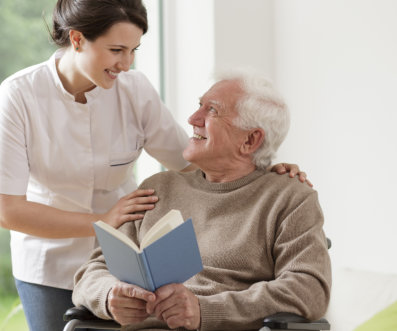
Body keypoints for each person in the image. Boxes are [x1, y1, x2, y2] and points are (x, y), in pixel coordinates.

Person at [0, 1, 307, 330]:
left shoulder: (135, 91)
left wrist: (265, 171)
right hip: (50, 261)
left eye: (134, 50)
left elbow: (193, 161)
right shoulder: (18, 96)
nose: (126, 64)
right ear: (77, 40)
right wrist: (102, 221)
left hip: (124, 262)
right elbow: (8, 211)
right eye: (116, 49)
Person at [72, 69, 332, 330]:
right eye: (200, 105)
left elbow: (308, 290)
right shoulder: (158, 188)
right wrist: (109, 295)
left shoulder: (290, 198)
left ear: (250, 140)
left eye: (212, 111)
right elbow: (92, 272)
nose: (193, 118)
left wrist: (205, 310)